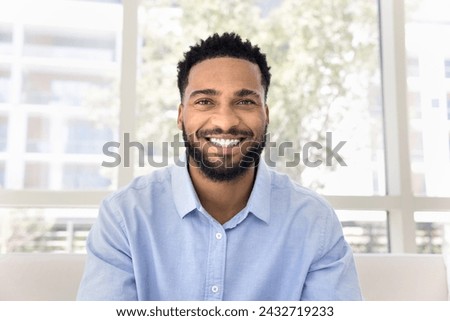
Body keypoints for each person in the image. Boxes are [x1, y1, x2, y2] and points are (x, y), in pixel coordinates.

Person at [77, 32, 362, 300]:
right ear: (181, 115)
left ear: (266, 113)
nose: (225, 121)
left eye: (245, 101)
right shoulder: (124, 217)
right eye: (204, 101)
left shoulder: (314, 222)